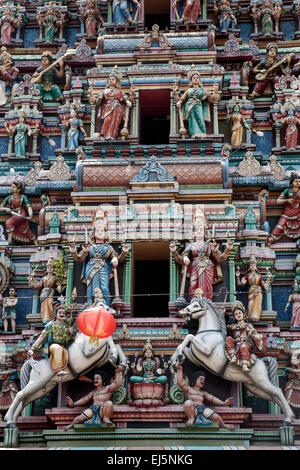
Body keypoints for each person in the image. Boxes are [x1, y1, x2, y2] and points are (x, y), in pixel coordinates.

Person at [69, 209, 130, 305]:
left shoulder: (108, 247)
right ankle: (91, 303)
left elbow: (117, 259)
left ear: (106, 234)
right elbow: (79, 259)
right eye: (97, 230)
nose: (100, 232)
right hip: (91, 268)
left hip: (103, 268)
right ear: (93, 233)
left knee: (104, 287)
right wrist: (74, 251)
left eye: (102, 230)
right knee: (91, 287)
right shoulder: (90, 247)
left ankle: (105, 304)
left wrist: (124, 252)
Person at [170, 231, 233, 301]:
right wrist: (174, 252)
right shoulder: (191, 246)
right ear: (193, 233)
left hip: (207, 267)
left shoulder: (209, 245)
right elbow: (181, 261)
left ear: (205, 232)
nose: (199, 231)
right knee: (193, 286)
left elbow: (220, 259)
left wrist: (227, 249)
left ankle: (207, 302)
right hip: (195, 268)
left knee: (207, 287)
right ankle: (194, 302)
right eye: (197, 228)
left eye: (201, 229)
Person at [176, 364, 234, 428]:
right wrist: (180, 369)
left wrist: (224, 403)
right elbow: (180, 382)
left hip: (203, 410)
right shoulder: (189, 389)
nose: (202, 381)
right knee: (188, 403)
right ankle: (191, 418)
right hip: (192, 409)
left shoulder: (203, 393)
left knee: (216, 417)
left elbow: (213, 399)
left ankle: (223, 425)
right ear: (195, 380)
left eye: (203, 380)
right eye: (200, 379)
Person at [27, 303, 75, 376]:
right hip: (53, 346)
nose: (62, 314)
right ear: (55, 314)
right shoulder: (51, 324)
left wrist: (70, 331)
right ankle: (58, 369)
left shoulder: (66, 326)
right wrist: (32, 348)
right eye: (60, 312)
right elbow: (42, 336)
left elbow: (69, 339)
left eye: (64, 313)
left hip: (63, 347)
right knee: (57, 348)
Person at [88, 66, 133, 140]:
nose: (111, 81)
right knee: (107, 120)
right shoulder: (105, 91)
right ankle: (104, 136)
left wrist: (127, 101)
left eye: (113, 79)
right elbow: (95, 102)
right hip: (107, 108)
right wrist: (90, 93)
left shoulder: (119, 91)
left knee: (115, 123)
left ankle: (112, 136)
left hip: (117, 109)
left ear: (117, 82)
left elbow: (124, 98)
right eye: (110, 79)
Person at [173, 65, 218, 138]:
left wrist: (215, 90)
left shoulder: (203, 90)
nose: (196, 79)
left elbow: (211, 99)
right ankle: (194, 134)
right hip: (190, 107)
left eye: (197, 78)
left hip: (198, 106)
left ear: (199, 80)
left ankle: (202, 133)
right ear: (191, 80)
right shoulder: (189, 90)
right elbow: (181, 99)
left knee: (200, 120)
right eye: (194, 78)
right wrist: (175, 94)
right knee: (192, 121)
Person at [225, 301, 264, 372]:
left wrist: (252, 335)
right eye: (236, 314)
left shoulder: (248, 326)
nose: (238, 315)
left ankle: (245, 365)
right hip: (236, 344)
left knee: (243, 346)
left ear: (243, 314)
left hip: (245, 344)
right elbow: (224, 326)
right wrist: (222, 314)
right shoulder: (233, 326)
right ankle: (233, 357)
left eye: (240, 313)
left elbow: (256, 335)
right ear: (234, 317)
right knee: (228, 339)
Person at [235, 255, 271, 322]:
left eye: (253, 265)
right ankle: (250, 317)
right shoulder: (247, 275)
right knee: (250, 304)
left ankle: (256, 317)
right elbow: (240, 284)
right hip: (251, 291)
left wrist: (268, 278)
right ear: (249, 266)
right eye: (251, 265)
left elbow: (265, 286)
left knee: (257, 304)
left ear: (256, 266)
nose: (252, 266)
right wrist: (237, 277)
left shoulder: (259, 276)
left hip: (258, 290)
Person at [0, 180, 37, 245]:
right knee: (22, 229)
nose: (12, 188)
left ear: (19, 189)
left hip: (21, 213)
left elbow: (29, 207)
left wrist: (30, 216)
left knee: (8, 222)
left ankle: (9, 241)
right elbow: (1, 207)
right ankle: (35, 241)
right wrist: (5, 209)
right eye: (12, 187)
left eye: (14, 187)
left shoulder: (23, 197)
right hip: (14, 214)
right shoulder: (9, 197)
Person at [269, 173, 300, 243]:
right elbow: (278, 201)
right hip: (287, 212)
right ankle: (271, 239)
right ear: (292, 183)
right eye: (296, 181)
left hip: (298, 212)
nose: (298, 183)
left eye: (299, 181)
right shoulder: (287, 190)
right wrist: (287, 200)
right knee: (280, 225)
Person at [28, 258, 61, 323]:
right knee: (44, 306)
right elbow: (38, 285)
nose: (50, 268)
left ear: (53, 269)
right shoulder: (44, 278)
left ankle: (51, 319)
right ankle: (45, 319)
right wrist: (32, 278)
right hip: (43, 293)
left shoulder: (55, 278)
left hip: (51, 293)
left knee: (50, 304)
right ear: (46, 268)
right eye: (48, 267)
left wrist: (59, 286)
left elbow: (58, 285)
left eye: (51, 267)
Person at [0, 356, 18, 421]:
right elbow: (1, 377)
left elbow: (7, 373)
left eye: (10, 361)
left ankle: (11, 419)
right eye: (7, 361)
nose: (8, 363)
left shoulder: (14, 370)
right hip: (4, 387)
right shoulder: (3, 371)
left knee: (13, 403)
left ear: (13, 362)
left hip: (12, 387)